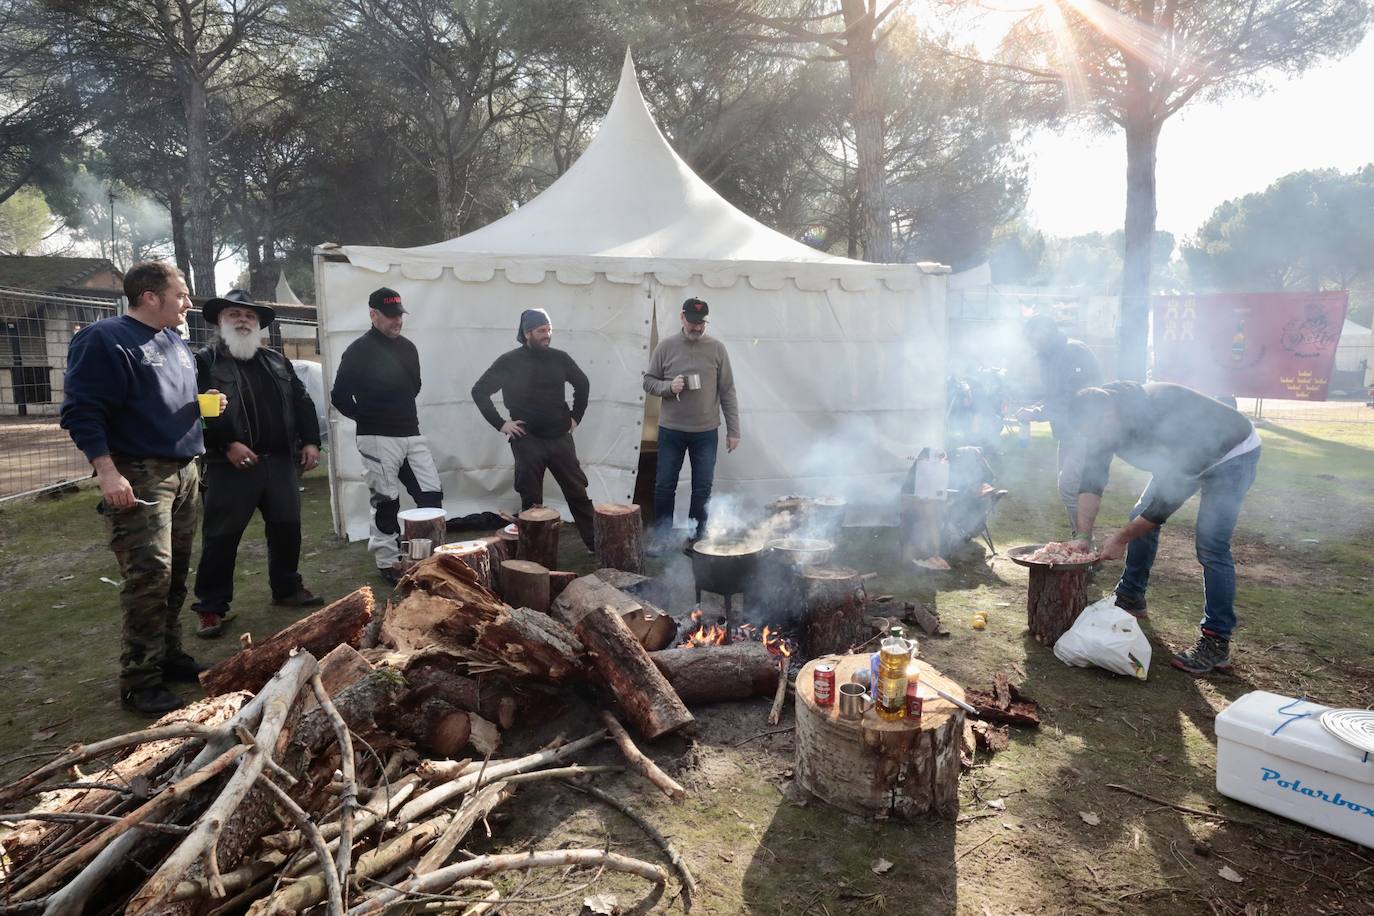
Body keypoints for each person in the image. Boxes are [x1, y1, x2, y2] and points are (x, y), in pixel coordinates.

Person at [59, 261, 216, 714]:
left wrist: (201, 408)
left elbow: (158, 401)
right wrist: (108, 472)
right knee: (149, 577)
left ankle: (167, 656)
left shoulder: (172, 339)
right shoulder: (104, 339)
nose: (188, 303)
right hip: (141, 472)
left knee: (176, 573)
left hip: (185, 470)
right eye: (181, 294)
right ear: (150, 296)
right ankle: (139, 681)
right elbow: (81, 411)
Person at [1068, 381, 1262, 676]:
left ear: (1110, 413)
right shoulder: (1102, 419)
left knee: (1211, 545)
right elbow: (1091, 482)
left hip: (1230, 454)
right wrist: (1083, 536)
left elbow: (1164, 504)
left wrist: (1121, 538)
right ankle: (1131, 596)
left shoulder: (1162, 411)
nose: (1096, 437)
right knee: (1138, 515)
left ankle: (1216, 641)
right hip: (1179, 463)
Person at [191, 290, 325, 637]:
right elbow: (199, 412)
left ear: (259, 325)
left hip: (279, 462)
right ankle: (210, 607)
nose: (243, 320)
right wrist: (227, 444)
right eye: (234, 314)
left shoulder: (277, 361)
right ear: (221, 321)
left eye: (249, 316)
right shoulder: (204, 362)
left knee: (287, 530)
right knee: (221, 538)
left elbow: (303, 402)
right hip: (229, 465)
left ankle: (287, 589)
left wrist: (310, 440)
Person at [330, 287, 443, 583]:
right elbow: (339, 396)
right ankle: (387, 560)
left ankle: (429, 554)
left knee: (430, 493)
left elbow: (414, 385)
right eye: (391, 316)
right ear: (373, 314)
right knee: (386, 499)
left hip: (410, 431)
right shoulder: (358, 350)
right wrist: (366, 417)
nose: (397, 321)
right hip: (377, 436)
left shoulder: (408, 347)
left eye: (399, 316)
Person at [471, 308, 596, 550]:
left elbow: (583, 383)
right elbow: (479, 391)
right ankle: (535, 554)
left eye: (549, 330)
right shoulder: (509, 361)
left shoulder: (560, 358)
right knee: (531, 502)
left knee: (578, 493)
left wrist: (575, 417)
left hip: (560, 438)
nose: (547, 334)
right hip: (527, 440)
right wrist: (501, 424)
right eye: (541, 330)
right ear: (527, 332)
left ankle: (597, 545)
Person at [641, 297, 740, 550]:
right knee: (665, 486)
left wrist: (734, 430)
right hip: (671, 429)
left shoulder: (717, 348)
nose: (697, 327)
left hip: (706, 431)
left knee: (702, 488)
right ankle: (663, 538)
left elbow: (727, 390)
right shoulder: (666, 347)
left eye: (702, 323)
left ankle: (697, 538)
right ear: (682, 317)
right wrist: (668, 387)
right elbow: (648, 381)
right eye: (693, 322)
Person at [1015, 314, 1102, 534]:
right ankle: (1081, 540)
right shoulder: (1050, 356)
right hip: (1068, 432)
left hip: (1086, 429)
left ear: (1046, 332)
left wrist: (1037, 413)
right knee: (1069, 489)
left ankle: (1084, 543)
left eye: (1033, 337)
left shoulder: (1073, 352)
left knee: (1069, 488)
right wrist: (1036, 409)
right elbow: (1055, 396)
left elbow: (1073, 396)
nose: (1031, 343)